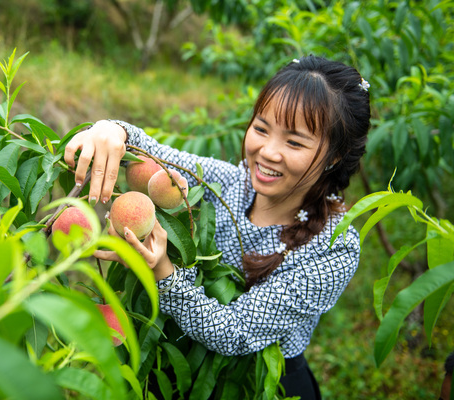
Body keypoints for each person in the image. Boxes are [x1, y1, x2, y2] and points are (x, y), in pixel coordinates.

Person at [64, 55, 371, 399]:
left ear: (333, 156)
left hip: (257, 384)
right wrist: (114, 130)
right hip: (181, 367)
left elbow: (236, 333)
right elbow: (156, 155)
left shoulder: (335, 246)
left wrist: (164, 274)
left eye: (294, 142)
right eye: (261, 128)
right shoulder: (230, 183)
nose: (268, 152)